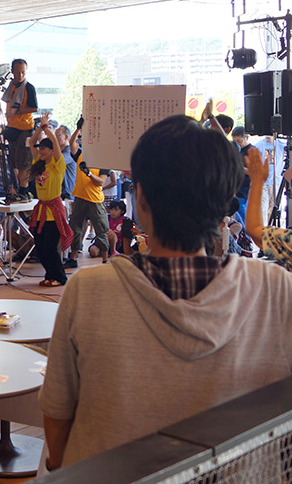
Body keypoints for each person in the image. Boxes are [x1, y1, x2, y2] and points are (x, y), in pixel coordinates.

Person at [39, 115, 292, 470]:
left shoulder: (88, 291)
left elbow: (57, 415)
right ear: (223, 207)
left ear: (140, 198)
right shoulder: (276, 288)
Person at [26, 113, 71, 287]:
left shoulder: (57, 165)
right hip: (41, 211)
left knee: (51, 248)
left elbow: (57, 148)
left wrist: (47, 128)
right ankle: (49, 275)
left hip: (54, 211)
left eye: (44, 148)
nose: (40, 151)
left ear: (52, 150)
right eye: (40, 149)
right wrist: (39, 127)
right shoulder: (39, 163)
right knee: (40, 247)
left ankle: (59, 277)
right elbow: (31, 142)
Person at [64, 121, 111, 268]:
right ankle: (72, 258)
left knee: (101, 229)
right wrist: (78, 128)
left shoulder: (103, 159)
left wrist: (89, 173)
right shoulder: (81, 154)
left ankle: (105, 259)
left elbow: (101, 182)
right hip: (79, 196)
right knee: (75, 228)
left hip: (95, 199)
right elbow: (71, 144)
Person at [1, 58, 38, 194]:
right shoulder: (11, 87)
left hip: (25, 128)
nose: (21, 75)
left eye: (23, 72)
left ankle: (24, 190)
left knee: (24, 163)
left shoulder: (28, 87)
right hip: (11, 128)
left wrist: (17, 111)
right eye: (18, 72)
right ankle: (15, 188)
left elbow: (34, 108)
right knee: (13, 163)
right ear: (12, 72)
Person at [230, 126, 252, 224]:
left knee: (243, 221)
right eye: (235, 141)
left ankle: (245, 239)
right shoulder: (235, 149)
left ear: (246, 138)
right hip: (234, 189)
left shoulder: (252, 151)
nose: (237, 143)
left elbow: (254, 171)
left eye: (239, 141)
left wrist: (238, 168)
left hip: (245, 191)